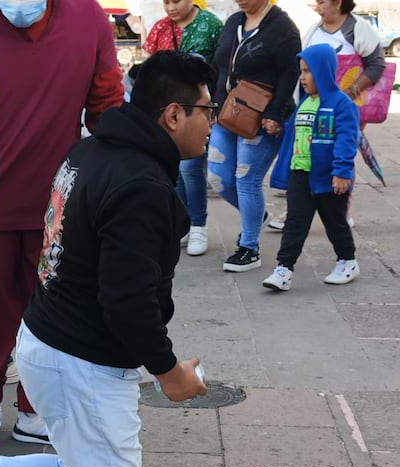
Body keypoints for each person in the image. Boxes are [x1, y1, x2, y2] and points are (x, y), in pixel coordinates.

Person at [0, 51, 210, 467]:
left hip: (51, 341)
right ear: (174, 114)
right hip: (81, 360)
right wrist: (167, 370)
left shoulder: (90, 150)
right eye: (207, 111)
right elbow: (127, 302)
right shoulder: (140, 184)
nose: (213, 123)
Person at [0, 0, 125, 456]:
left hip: (58, 201)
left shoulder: (88, 19)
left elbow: (106, 106)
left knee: (49, 312)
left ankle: (34, 407)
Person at [267, 0, 385, 231]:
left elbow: (376, 64)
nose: (317, 7)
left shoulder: (358, 29)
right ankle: (297, 207)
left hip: (346, 105)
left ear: (338, 2)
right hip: (313, 105)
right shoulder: (313, 31)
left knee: (342, 151)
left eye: (321, 2)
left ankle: (341, 208)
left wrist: (351, 92)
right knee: (306, 151)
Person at [208, 0, 301, 272]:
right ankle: (257, 214)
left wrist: (275, 114)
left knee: (246, 178)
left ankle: (249, 248)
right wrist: (213, 104)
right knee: (218, 176)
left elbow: (290, 74)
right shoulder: (234, 21)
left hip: (263, 117)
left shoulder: (283, 27)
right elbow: (220, 68)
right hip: (227, 113)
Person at [261, 44, 360, 292]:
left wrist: (341, 171)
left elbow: (347, 139)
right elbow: (294, 136)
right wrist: (280, 130)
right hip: (300, 174)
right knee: (295, 222)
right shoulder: (303, 104)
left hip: (328, 177)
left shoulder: (341, 104)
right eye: (301, 71)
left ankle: (347, 261)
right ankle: (284, 269)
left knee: (335, 222)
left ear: (324, 71)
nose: (302, 77)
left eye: (308, 71)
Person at [143, 0, 223, 256]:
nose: (170, 7)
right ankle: (183, 221)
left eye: (176, 1)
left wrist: (212, 107)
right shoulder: (159, 28)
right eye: (165, 2)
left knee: (190, 167)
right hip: (165, 114)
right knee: (174, 169)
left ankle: (198, 224)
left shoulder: (210, 25)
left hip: (196, 109)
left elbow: (221, 67)